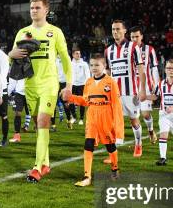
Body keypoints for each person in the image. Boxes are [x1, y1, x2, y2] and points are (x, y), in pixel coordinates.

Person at [9, 0, 73, 183]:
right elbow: (12, 58)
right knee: (38, 124)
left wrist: (68, 85)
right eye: (31, 8)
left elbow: (66, 59)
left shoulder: (55, 32)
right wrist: (10, 54)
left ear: (46, 10)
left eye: (37, 8)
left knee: (44, 121)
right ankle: (45, 164)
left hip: (49, 84)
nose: (33, 10)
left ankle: (37, 168)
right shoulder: (22, 32)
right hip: (29, 84)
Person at [63, 53, 123, 187]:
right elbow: (85, 101)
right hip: (92, 118)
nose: (94, 67)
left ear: (104, 66)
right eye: (91, 65)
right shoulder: (89, 82)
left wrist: (118, 129)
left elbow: (117, 106)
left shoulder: (111, 82)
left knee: (110, 145)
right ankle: (87, 176)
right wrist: (71, 97)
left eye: (97, 65)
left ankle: (115, 169)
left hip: (106, 118)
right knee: (88, 145)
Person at [104, 20, 146, 157]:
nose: (115, 32)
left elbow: (140, 68)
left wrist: (142, 89)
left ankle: (138, 144)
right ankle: (113, 155)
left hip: (131, 92)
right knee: (113, 122)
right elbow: (109, 72)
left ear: (124, 31)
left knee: (134, 120)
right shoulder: (108, 50)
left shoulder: (133, 47)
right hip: (115, 93)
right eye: (113, 30)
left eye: (117, 29)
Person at [149, 60, 173, 165]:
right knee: (163, 134)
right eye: (169, 68)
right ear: (165, 70)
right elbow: (155, 96)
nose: (171, 70)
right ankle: (163, 158)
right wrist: (145, 97)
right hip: (164, 114)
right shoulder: (160, 84)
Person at [129, 26, 159, 143]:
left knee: (145, 114)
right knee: (134, 116)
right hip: (131, 86)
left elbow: (154, 68)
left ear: (141, 36)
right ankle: (138, 142)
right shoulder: (127, 50)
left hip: (145, 86)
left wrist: (156, 86)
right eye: (132, 37)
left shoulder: (149, 49)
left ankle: (151, 131)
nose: (135, 39)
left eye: (137, 36)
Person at [70, 49, 91, 126]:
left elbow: (88, 74)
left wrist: (87, 85)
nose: (78, 55)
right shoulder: (70, 64)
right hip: (72, 85)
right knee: (71, 102)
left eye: (79, 53)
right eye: (76, 53)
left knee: (82, 102)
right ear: (73, 55)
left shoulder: (84, 64)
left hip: (82, 85)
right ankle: (74, 117)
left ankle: (81, 119)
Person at [8, 76, 28, 142]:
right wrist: (7, 93)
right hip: (19, 93)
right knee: (17, 113)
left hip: (30, 92)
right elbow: (13, 81)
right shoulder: (17, 67)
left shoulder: (32, 66)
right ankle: (17, 136)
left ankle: (40, 135)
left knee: (34, 114)